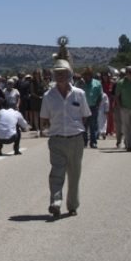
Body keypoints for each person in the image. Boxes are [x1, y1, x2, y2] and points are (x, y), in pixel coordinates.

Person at [39, 58, 91, 217]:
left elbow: (85, 115)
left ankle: (73, 205)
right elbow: (44, 117)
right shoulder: (48, 96)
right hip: (57, 139)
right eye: (57, 73)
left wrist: (78, 130)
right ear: (54, 75)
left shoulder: (79, 94)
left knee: (74, 174)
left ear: (69, 74)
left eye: (63, 73)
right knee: (56, 173)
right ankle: (55, 202)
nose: (60, 76)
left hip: (75, 140)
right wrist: (45, 130)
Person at [113, 65, 131, 152]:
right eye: (128, 72)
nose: (130, 74)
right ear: (126, 73)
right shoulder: (121, 83)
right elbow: (117, 96)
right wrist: (120, 106)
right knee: (126, 127)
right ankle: (128, 144)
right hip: (125, 108)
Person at [80, 69, 102, 149]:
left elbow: (100, 95)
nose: (86, 76)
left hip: (93, 107)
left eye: (88, 74)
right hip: (83, 107)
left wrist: (97, 105)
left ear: (91, 75)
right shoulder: (80, 83)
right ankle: (84, 142)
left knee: (93, 125)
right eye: (85, 74)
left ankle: (93, 142)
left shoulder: (97, 83)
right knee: (83, 125)